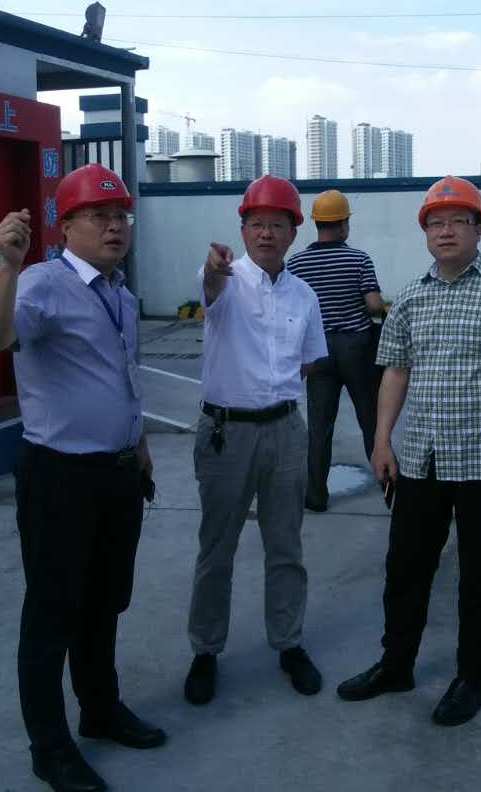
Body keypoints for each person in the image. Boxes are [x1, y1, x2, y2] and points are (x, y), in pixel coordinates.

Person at [0, 163, 163, 792]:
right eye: (98, 216)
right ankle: (49, 747)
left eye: (120, 215)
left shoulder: (120, 293)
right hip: (60, 478)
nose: (115, 226)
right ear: (66, 226)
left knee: (104, 602)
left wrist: (138, 443)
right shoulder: (39, 285)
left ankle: (100, 710)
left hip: (117, 474)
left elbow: (122, 378)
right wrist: (7, 267)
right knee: (52, 614)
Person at [336, 176, 481, 728]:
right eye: (436, 222)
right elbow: (395, 372)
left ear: (479, 228)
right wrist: (382, 440)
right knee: (405, 570)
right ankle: (396, 665)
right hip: (420, 462)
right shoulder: (412, 297)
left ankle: (473, 677)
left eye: (458, 220)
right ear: (425, 232)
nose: (446, 230)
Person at [184, 174, 329, 706]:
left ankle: (289, 643)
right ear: (242, 230)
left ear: (294, 232)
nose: (266, 233)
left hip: (285, 431)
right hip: (227, 433)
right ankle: (205, 650)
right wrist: (213, 270)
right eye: (257, 224)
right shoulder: (224, 281)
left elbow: (308, 362)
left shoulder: (304, 295)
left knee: (285, 546)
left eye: (277, 225)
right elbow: (208, 286)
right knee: (216, 548)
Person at [286, 189, 386, 512]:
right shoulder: (359, 259)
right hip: (356, 347)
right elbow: (373, 304)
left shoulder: (296, 263)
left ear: (317, 223)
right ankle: (391, 489)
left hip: (318, 350)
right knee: (371, 421)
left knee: (320, 426)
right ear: (343, 224)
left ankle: (316, 494)